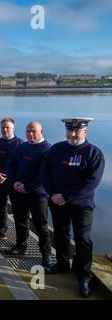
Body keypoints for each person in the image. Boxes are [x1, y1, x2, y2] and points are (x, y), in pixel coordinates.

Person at [41, 118, 105, 297]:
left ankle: (84, 277)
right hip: (57, 202)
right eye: (70, 130)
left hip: (81, 205)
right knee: (61, 234)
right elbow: (44, 172)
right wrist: (53, 193)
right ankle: (62, 264)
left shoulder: (93, 153)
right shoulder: (56, 149)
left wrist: (65, 196)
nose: (73, 134)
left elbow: (91, 182)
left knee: (83, 240)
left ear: (85, 132)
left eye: (77, 131)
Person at [5, 122, 52, 269]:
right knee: (20, 220)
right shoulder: (22, 147)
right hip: (19, 191)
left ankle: (46, 254)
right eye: (27, 131)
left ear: (41, 131)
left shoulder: (48, 149)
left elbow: (44, 174)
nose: (30, 134)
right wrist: (14, 182)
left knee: (40, 225)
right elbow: (10, 165)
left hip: (38, 194)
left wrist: (28, 186)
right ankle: (21, 245)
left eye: (34, 131)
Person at [0, 118, 23, 240]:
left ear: (13, 128)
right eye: (2, 127)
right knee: (0, 206)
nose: (4, 130)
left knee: (17, 209)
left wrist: (8, 176)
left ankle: (21, 238)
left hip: (12, 182)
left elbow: (20, 165)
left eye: (7, 127)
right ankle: (1, 231)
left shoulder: (19, 144)